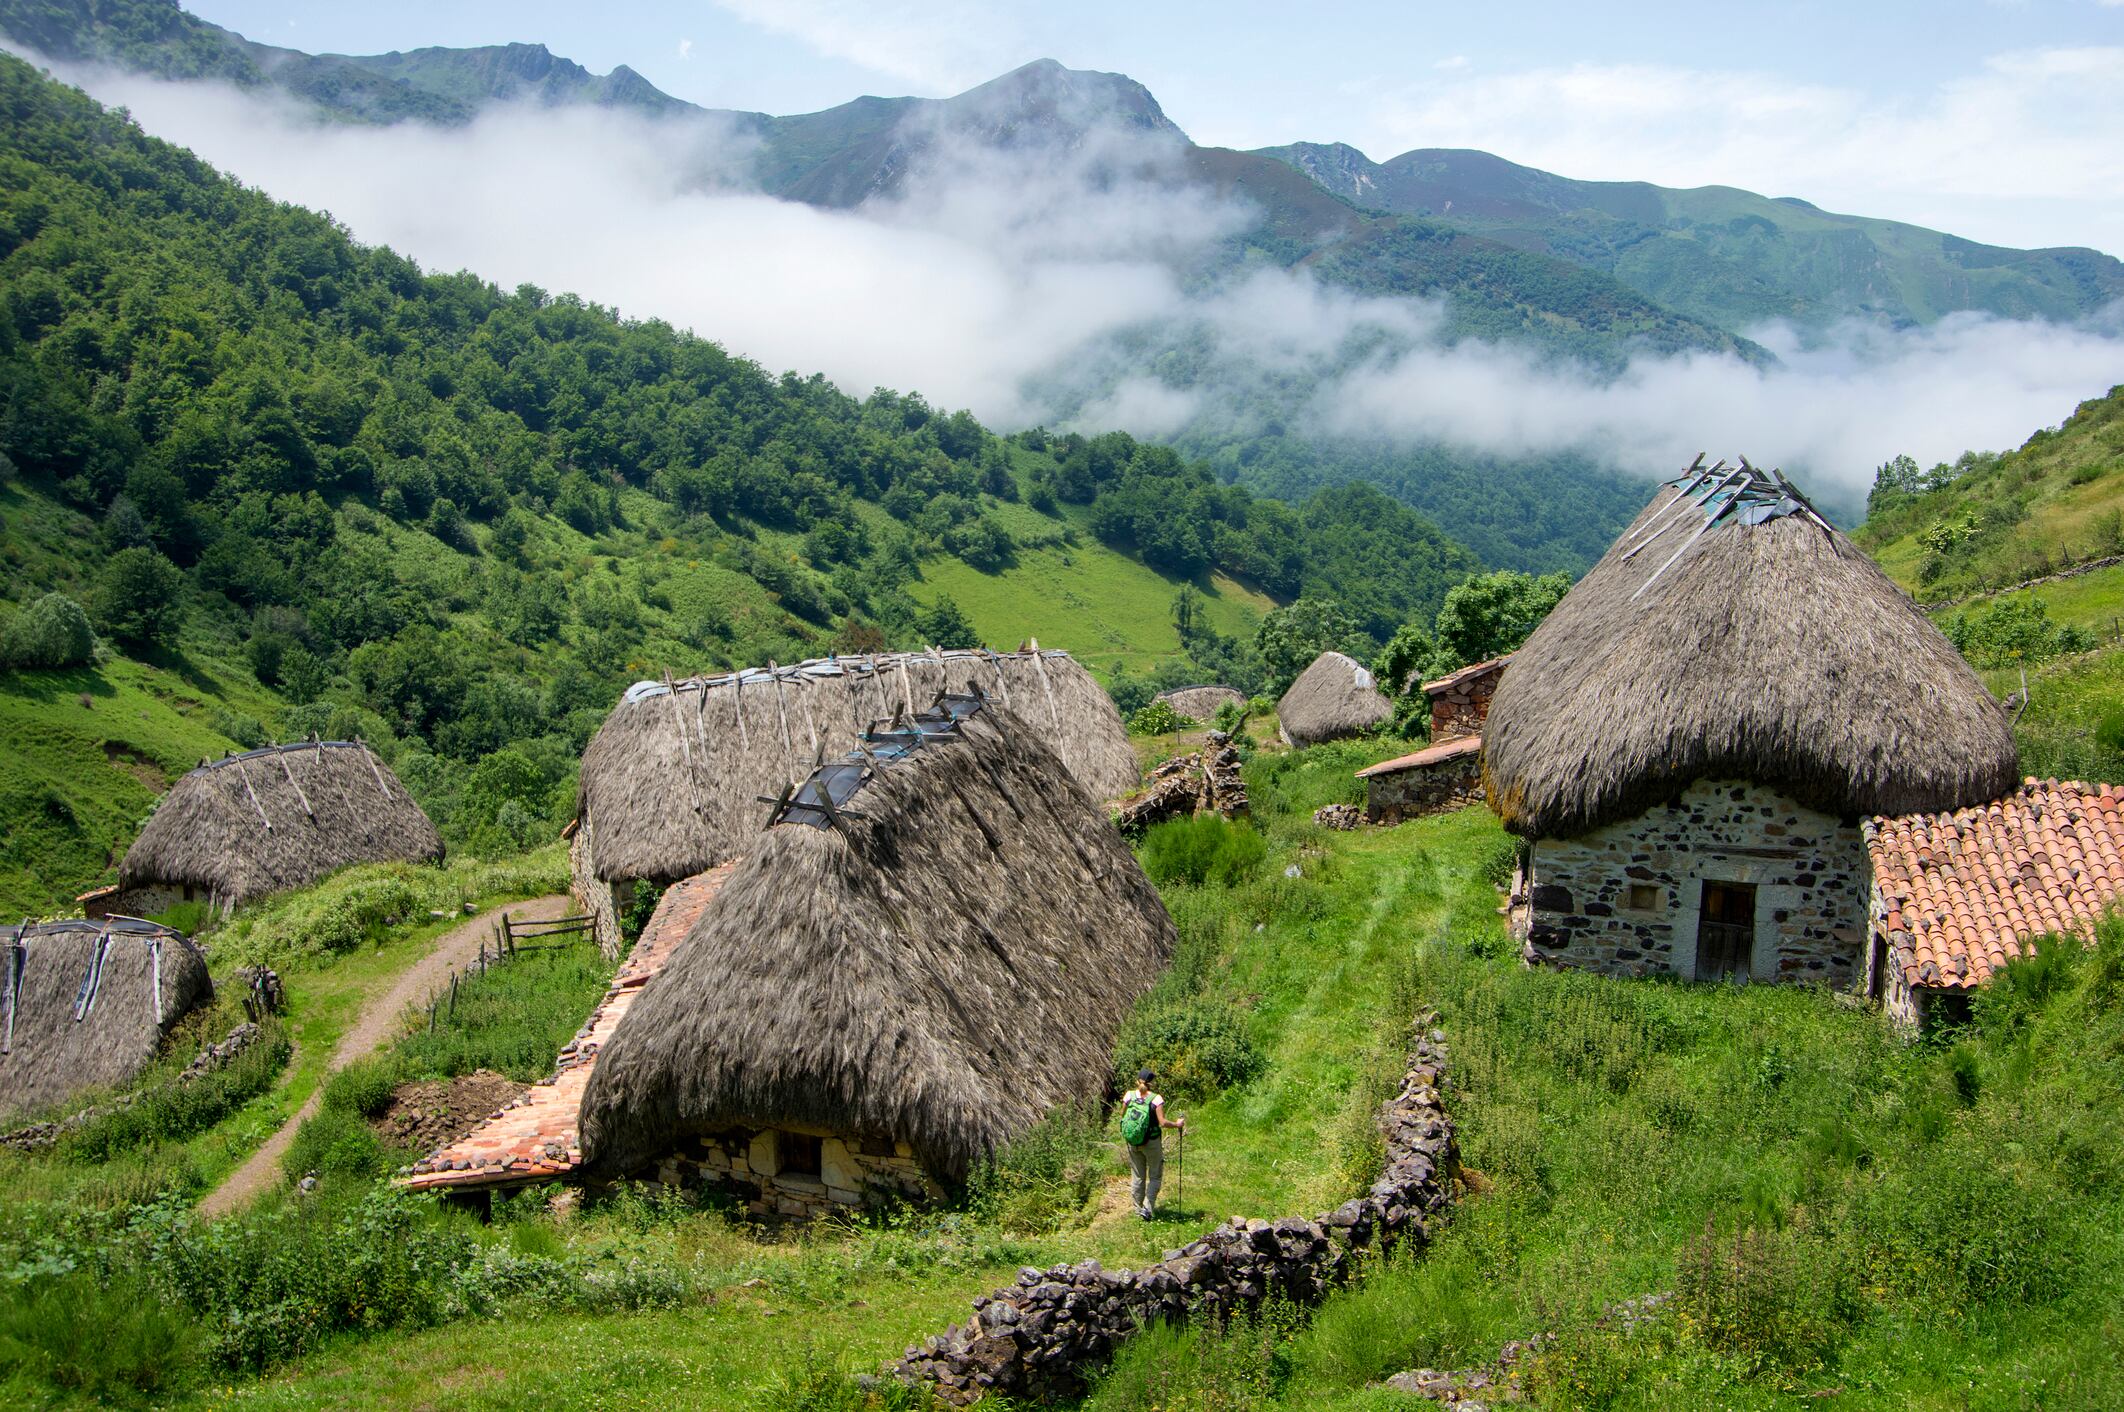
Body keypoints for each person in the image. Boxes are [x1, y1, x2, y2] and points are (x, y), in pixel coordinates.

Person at [1120, 1067, 1185, 1220]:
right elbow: (1162, 1122)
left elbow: (1122, 1116)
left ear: (1137, 1080)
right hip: (1152, 1143)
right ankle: (1148, 1210)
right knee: (1155, 1176)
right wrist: (1177, 1125)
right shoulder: (1156, 1099)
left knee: (1137, 1176)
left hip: (1133, 1142)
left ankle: (1137, 1210)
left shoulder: (1129, 1095)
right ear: (1151, 1083)